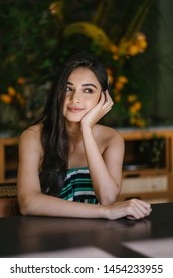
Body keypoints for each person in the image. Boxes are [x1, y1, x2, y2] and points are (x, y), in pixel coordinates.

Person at [17, 52, 151, 220]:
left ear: (103, 98)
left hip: (95, 236)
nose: (75, 99)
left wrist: (86, 129)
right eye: (68, 88)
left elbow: (107, 198)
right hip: (48, 237)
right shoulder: (32, 137)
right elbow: (28, 203)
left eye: (88, 90)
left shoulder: (111, 139)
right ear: (57, 93)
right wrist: (105, 212)